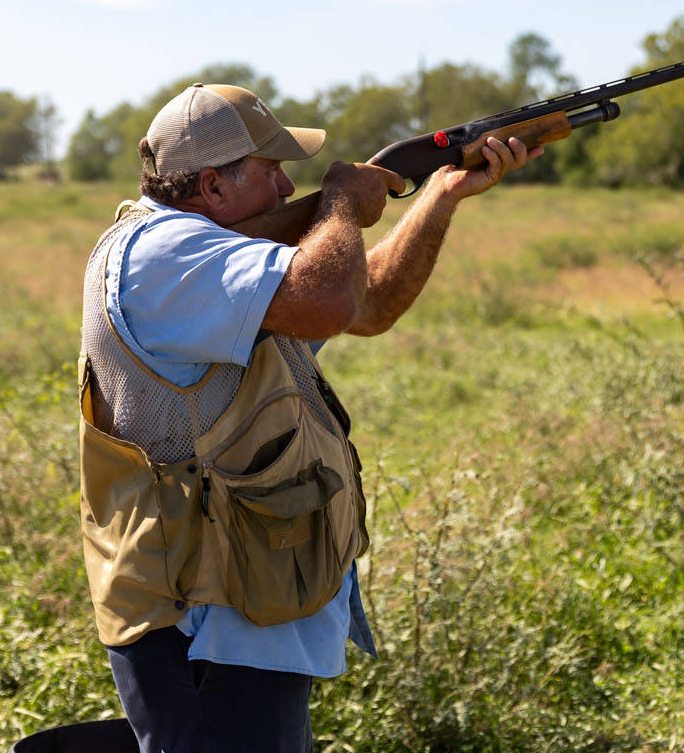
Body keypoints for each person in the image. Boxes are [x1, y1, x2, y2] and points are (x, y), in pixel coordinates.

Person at [77, 82, 538, 753]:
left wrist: (440, 194)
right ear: (212, 186)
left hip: (243, 605)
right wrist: (343, 205)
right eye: (272, 171)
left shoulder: (211, 253)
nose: (290, 184)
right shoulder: (165, 255)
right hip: (207, 618)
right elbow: (326, 300)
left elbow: (365, 303)